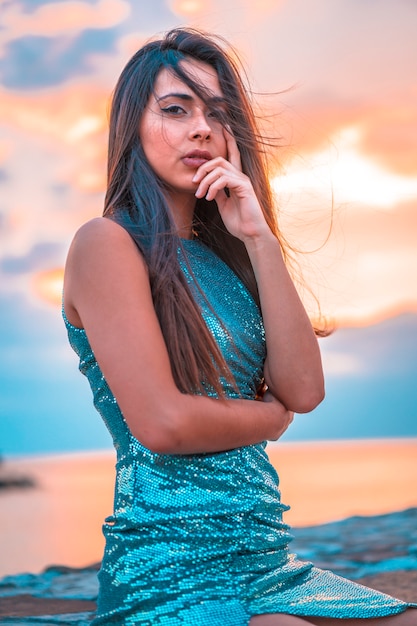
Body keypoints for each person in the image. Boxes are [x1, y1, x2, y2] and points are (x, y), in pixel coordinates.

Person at [62, 27, 416, 626]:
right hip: (170, 568)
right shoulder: (107, 244)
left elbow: (304, 389)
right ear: (133, 128)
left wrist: (258, 239)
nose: (201, 128)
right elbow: (164, 423)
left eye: (217, 114)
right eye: (176, 110)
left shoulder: (227, 255)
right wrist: (270, 419)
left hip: (267, 559)